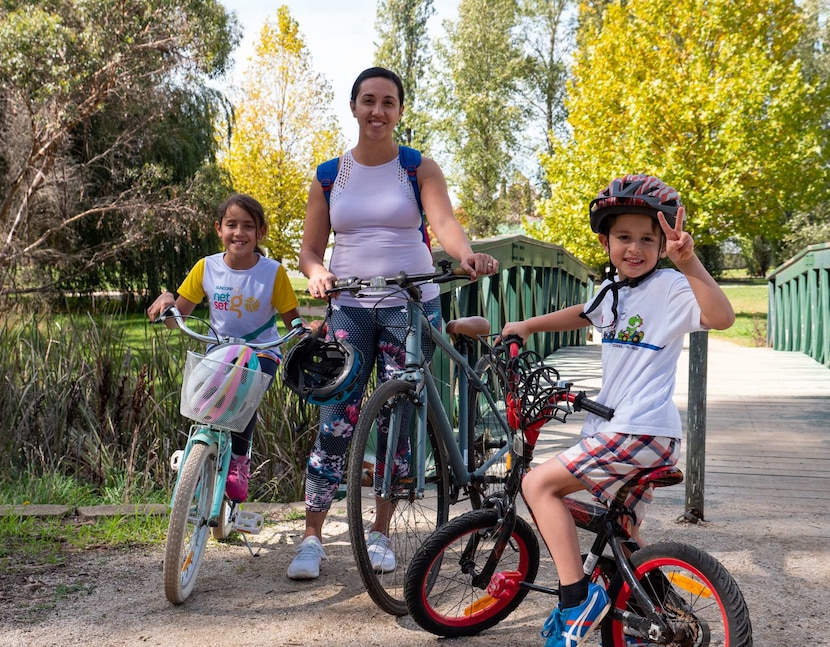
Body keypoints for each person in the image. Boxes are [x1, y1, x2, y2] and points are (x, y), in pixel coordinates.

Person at [500, 174, 735, 647]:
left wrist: (689, 263)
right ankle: (671, 618)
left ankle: (575, 599)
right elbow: (583, 313)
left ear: (663, 242)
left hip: (639, 428)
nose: (636, 248)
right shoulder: (613, 292)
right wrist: (525, 324)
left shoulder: (670, 286)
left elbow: (721, 317)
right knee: (621, 531)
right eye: (624, 237)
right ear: (605, 241)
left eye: (648, 238)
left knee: (536, 483)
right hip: (635, 432)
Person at [287, 66, 499, 580]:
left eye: (388, 102)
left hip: (410, 303)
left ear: (400, 110)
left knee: (397, 418)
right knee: (336, 419)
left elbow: (443, 223)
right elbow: (310, 249)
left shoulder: (417, 168)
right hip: (351, 306)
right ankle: (313, 538)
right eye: (368, 101)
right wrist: (317, 274)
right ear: (354, 107)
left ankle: (381, 532)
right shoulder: (330, 175)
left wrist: (466, 254)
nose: (377, 111)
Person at [147, 193, 303, 503]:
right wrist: (167, 299)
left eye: (248, 226)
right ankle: (201, 455)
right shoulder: (206, 268)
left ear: (261, 232)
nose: (239, 233)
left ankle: (239, 462)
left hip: (262, 352)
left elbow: (293, 324)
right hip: (218, 351)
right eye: (231, 224)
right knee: (203, 402)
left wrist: (307, 330)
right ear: (219, 229)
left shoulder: (273, 273)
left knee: (243, 392)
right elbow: (177, 319)